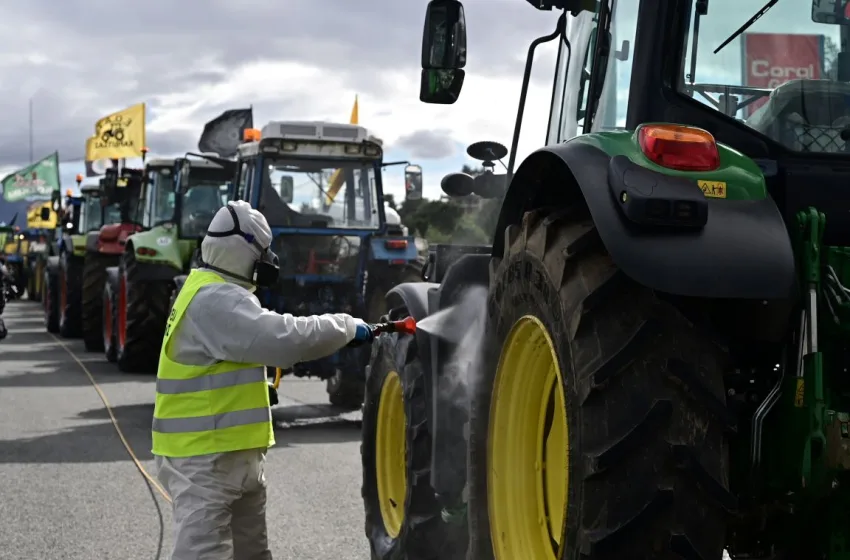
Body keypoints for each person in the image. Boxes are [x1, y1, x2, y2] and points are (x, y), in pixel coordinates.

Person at [152, 200, 375, 560]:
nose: (269, 261)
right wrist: (346, 326)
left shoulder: (216, 290)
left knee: (252, 553)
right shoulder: (213, 299)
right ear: (241, 251)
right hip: (204, 459)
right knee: (202, 553)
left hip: (233, 454)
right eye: (264, 251)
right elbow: (285, 340)